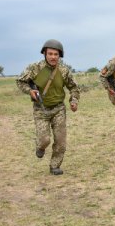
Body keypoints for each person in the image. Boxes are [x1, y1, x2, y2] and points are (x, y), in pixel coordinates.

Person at [16, 39, 80, 175]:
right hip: (41, 109)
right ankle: (40, 146)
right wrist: (30, 91)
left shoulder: (64, 71)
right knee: (45, 139)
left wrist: (74, 101)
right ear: (44, 54)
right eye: (50, 54)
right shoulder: (35, 68)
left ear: (60, 55)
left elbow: (74, 87)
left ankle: (55, 165)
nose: (53, 57)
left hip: (59, 109)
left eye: (56, 54)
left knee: (61, 141)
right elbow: (20, 81)